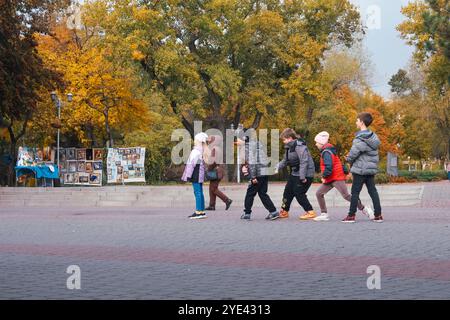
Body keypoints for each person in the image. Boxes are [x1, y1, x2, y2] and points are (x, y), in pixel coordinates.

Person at [313, 131, 374, 221]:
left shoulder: (326, 152)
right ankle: (324, 214)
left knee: (346, 196)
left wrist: (324, 177)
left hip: (336, 177)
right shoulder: (328, 150)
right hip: (331, 177)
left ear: (321, 143)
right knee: (319, 193)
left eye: (317, 142)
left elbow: (329, 167)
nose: (315, 144)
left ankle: (365, 208)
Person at [267, 128, 317, 221]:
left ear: (290, 138)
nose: (283, 141)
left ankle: (310, 211)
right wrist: (277, 166)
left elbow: (304, 161)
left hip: (305, 174)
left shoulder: (300, 146)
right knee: (287, 192)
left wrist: (302, 177)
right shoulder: (289, 148)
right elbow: (285, 160)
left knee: (299, 193)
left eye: (284, 139)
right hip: (295, 173)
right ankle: (284, 211)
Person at [343, 112, 383, 223]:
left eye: (357, 120)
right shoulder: (373, 137)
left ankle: (351, 216)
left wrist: (348, 159)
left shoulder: (360, 138)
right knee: (373, 191)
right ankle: (378, 215)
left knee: (355, 192)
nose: (356, 122)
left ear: (361, 122)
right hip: (370, 170)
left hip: (360, 169)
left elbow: (353, 153)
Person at [238, 128, 278, 221]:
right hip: (264, 172)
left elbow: (252, 163)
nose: (237, 140)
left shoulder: (247, 148)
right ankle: (273, 211)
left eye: (239, 138)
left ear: (244, 138)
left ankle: (247, 213)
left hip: (257, 174)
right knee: (262, 193)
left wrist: (253, 177)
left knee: (250, 194)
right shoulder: (258, 145)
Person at [181, 132, 209, 219]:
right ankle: (202, 211)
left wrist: (187, 176)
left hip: (195, 174)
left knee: (197, 193)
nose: (194, 141)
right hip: (199, 174)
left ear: (198, 141)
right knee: (200, 192)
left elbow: (190, 165)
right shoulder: (202, 150)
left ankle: (198, 212)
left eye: (196, 139)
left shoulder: (195, 151)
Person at [205, 135, 233, 211]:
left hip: (216, 171)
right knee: (212, 188)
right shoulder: (218, 148)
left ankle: (227, 200)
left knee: (213, 189)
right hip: (218, 170)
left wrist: (209, 169)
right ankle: (212, 205)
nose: (208, 141)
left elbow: (213, 161)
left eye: (210, 140)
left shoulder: (214, 149)